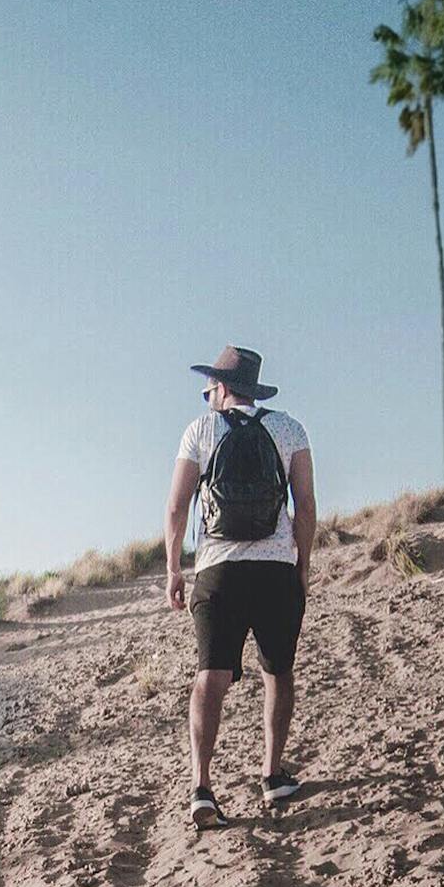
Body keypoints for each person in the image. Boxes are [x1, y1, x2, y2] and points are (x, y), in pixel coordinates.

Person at [163, 345, 315, 830]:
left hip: (219, 570)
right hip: (274, 572)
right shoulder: (290, 428)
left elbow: (176, 508)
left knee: (211, 675)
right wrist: (301, 565)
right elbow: (306, 505)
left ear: (224, 388)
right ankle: (272, 775)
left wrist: (173, 569)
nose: (205, 395)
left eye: (209, 386)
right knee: (278, 672)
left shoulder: (200, 430)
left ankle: (201, 788)